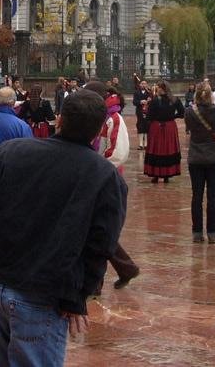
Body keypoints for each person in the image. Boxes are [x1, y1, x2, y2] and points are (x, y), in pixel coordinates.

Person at [0, 89, 127, 366]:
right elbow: (102, 244)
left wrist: (4, 215)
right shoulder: (105, 176)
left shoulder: (14, 150)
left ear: (59, 120)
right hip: (42, 294)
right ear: (99, 131)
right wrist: (79, 296)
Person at [84, 80, 138, 291]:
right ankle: (125, 269)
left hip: (105, 180)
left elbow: (118, 152)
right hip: (93, 177)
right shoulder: (99, 117)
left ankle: (96, 282)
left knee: (98, 230)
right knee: (95, 230)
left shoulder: (114, 118)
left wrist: (97, 169)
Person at [184, 85, 215, 243]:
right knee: (213, 197)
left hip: (196, 156)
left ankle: (196, 232)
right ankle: (212, 232)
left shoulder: (189, 111)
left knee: (197, 196)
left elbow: (189, 127)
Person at [144, 81, 182, 183]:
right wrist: (172, 116)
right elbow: (182, 113)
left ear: (162, 89)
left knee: (157, 149)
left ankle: (156, 175)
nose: (157, 89)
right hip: (170, 126)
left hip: (157, 127)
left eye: (159, 87)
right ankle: (166, 175)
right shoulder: (175, 100)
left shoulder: (155, 101)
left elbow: (149, 117)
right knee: (167, 149)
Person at [132, 79, 150, 150]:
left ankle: (146, 144)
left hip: (148, 111)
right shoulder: (136, 92)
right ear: (140, 85)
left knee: (147, 126)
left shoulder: (149, 92)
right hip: (139, 111)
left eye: (145, 83)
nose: (143, 85)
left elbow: (153, 101)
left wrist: (149, 101)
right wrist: (140, 101)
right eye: (142, 83)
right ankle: (140, 144)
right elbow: (134, 102)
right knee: (140, 125)